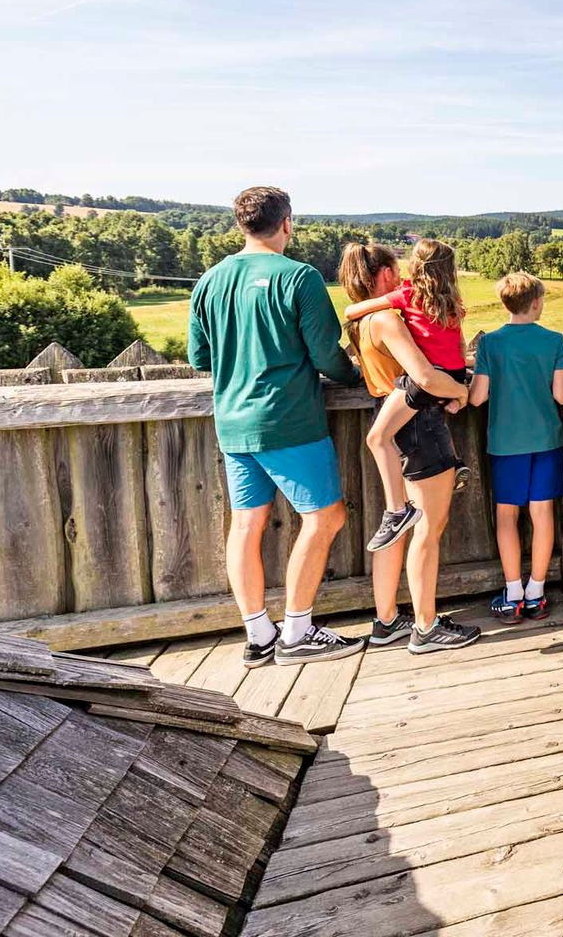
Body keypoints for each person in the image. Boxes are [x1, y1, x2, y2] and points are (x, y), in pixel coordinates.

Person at [188, 186, 364, 667]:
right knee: (325, 517)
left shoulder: (210, 280)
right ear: (287, 223)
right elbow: (327, 355)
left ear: (241, 225)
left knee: (247, 524)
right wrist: (358, 377)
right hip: (288, 419)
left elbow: (200, 356)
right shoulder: (299, 277)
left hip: (232, 422)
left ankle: (258, 634)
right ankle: (298, 631)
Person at [338, 243, 482, 654]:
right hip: (419, 424)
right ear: (384, 273)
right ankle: (426, 626)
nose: (402, 276)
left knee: (397, 525)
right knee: (428, 530)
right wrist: (461, 391)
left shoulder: (363, 321)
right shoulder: (388, 319)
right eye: (396, 270)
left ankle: (386, 621)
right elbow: (425, 376)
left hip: (391, 415)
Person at [338, 239, 470, 552]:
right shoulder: (448, 302)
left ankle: (397, 510)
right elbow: (455, 348)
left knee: (377, 439)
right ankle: (449, 465)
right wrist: (460, 387)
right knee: (429, 530)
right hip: (445, 382)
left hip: (420, 391)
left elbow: (423, 375)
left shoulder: (400, 301)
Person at [468, 271, 563, 622]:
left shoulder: (490, 343)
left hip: (505, 443)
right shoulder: (554, 341)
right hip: (545, 440)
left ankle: (513, 593)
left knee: (507, 516)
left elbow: (477, 397)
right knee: (542, 514)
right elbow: (562, 395)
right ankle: (536, 593)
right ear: (537, 302)